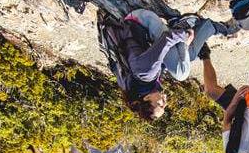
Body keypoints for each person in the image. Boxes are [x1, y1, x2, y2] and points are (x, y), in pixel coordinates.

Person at [97, 10, 237, 121]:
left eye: (160, 104)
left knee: (181, 73)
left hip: (142, 20)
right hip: (143, 33)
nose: (165, 102)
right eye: (164, 106)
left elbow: (167, 38)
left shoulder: (145, 73)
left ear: (146, 98)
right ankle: (209, 27)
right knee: (190, 56)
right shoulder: (136, 88)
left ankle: (183, 25)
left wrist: (184, 36)